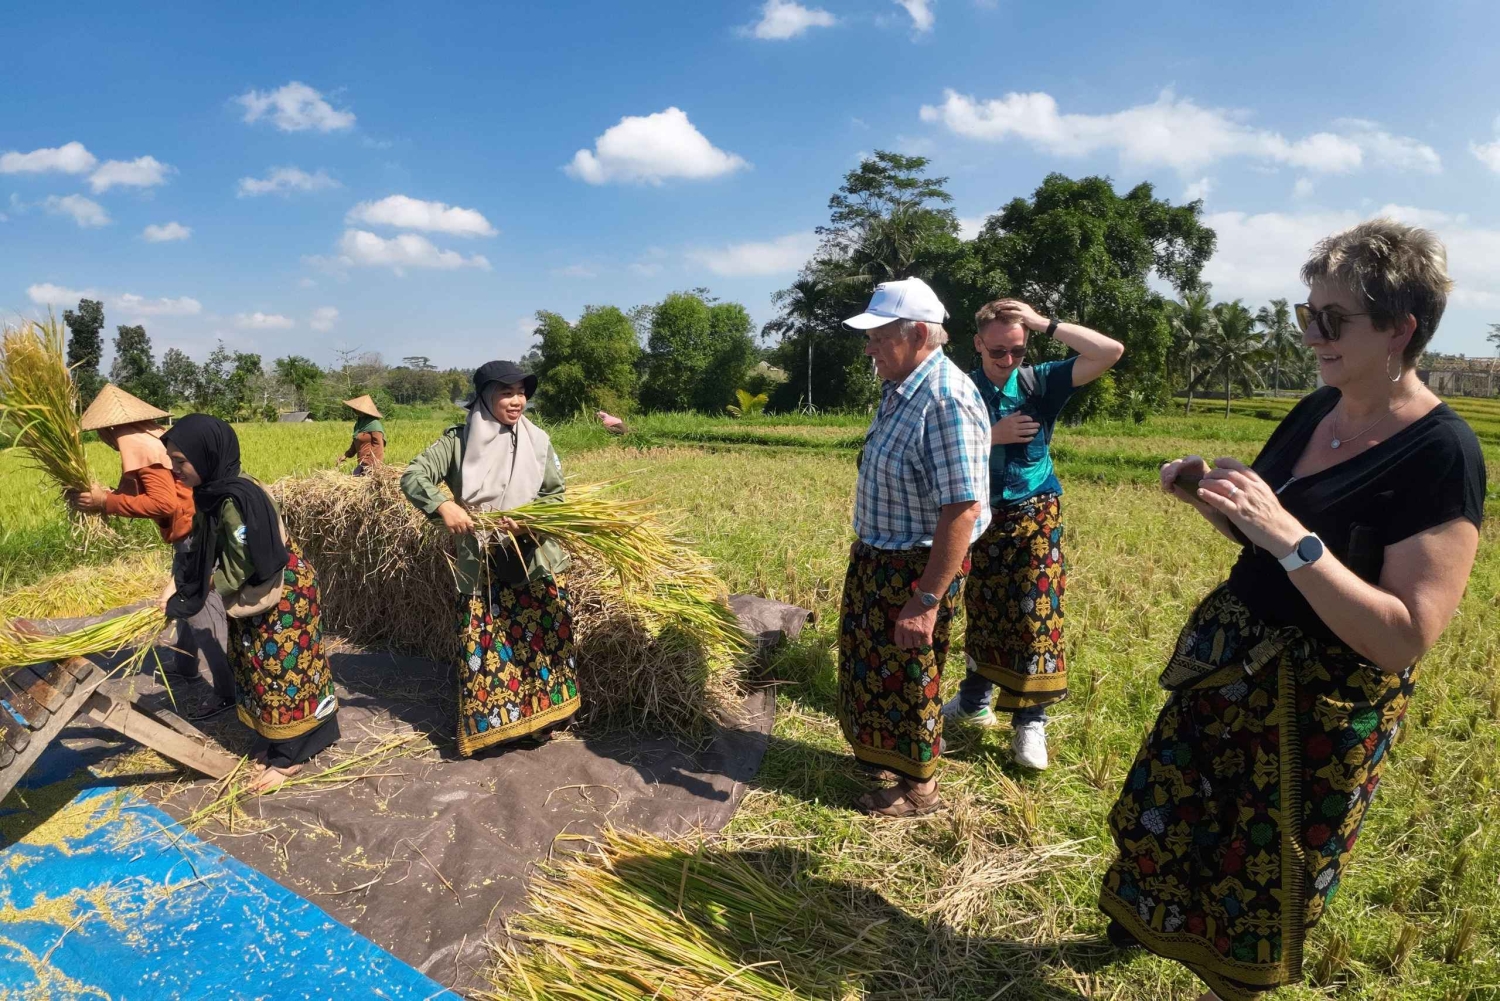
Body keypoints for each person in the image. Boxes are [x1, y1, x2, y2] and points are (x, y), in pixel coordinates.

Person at [1099, 220, 1485, 1001]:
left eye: (1332, 319)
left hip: (1313, 710)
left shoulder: (1443, 454)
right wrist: (1219, 501)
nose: (1312, 334)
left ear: (1401, 328)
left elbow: (1403, 636)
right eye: (1306, 313)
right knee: (1166, 820)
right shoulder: (1318, 408)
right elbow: (1268, 537)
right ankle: (1134, 928)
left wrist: (1293, 537)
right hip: (1229, 666)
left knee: (1261, 875)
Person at [942, 301, 1124, 769]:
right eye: (998, 350)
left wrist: (1044, 322)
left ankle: (1030, 722)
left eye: (1017, 351)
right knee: (983, 609)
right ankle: (974, 702)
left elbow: (1109, 351)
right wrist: (991, 435)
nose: (1007, 360)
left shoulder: (1039, 381)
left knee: (1036, 615)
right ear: (978, 343)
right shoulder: (959, 389)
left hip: (1036, 510)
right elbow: (939, 450)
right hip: (980, 514)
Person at [837, 277, 991, 818]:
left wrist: (926, 599)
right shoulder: (902, 386)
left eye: (879, 336)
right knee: (875, 668)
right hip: (881, 559)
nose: (869, 347)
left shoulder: (945, 397)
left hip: (915, 566)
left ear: (919, 333)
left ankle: (918, 788)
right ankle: (887, 758)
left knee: (910, 676)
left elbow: (963, 509)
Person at [400, 360, 579, 757]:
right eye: (506, 392)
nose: (517, 400)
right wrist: (444, 506)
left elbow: (555, 496)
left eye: (521, 392)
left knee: (542, 641)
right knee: (490, 648)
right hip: (483, 565)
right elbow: (413, 476)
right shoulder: (458, 441)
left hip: (534, 559)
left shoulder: (540, 441)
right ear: (484, 396)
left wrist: (530, 521)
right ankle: (496, 727)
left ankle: (542, 723)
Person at [163, 414, 341, 793]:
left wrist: (202, 587)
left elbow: (242, 557)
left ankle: (288, 756)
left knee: (282, 671)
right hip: (257, 593)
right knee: (256, 666)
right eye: (172, 461)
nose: (174, 469)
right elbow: (207, 546)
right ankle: (278, 739)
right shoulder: (217, 491)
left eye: (180, 461)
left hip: (281, 596)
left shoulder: (233, 498)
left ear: (207, 454)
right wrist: (180, 584)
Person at [66, 385, 234, 719]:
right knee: (188, 603)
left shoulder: (135, 444)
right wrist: (105, 495)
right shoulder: (150, 437)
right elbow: (143, 490)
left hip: (191, 533)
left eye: (100, 432)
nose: (101, 437)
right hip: (190, 528)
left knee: (201, 608)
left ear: (108, 427)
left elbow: (163, 502)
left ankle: (228, 691)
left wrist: (105, 503)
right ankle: (184, 666)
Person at [335, 395, 385, 475]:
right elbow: (355, 443)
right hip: (362, 462)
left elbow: (379, 446)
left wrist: (372, 464)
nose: (354, 411)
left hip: (371, 464)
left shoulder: (374, 424)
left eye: (357, 409)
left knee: (356, 477)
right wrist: (346, 455)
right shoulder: (359, 424)